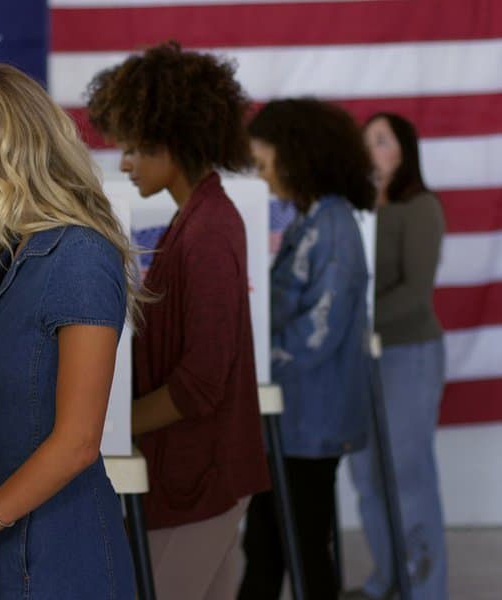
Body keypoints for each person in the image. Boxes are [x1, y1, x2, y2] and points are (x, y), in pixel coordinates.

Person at [0, 63, 138, 599]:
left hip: (64, 558)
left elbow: (77, 442)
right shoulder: (11, 257)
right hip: (4, 548)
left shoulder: (81, 256)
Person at [85, 42, 270, 600]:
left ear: (172, 141)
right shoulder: (196, 221)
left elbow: (202, 381)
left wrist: (105, 429)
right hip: (199, 473)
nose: (123, 162)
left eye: (134, 147)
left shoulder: (209, 230)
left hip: (203, 474)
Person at [239, 98, 375, 600]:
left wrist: (250, 360)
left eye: (264, 163)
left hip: (311, 421)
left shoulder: (333, 227)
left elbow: (318, 332)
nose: (262, 176)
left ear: (297, 155)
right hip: (291, 419)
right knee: (269, 544)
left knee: (300, 549)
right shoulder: (309, 220)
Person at [346, 113, 448, 600]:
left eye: (382, 141)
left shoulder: (420, 207)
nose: (372, 150)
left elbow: (416, 291)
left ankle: (426, 588)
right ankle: (389, 578)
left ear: (404, 150)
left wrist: (356, 320)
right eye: (366, 142)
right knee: (367, 476)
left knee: (408, 473)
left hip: (408, 353)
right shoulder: (354, 209)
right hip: (360, 358)